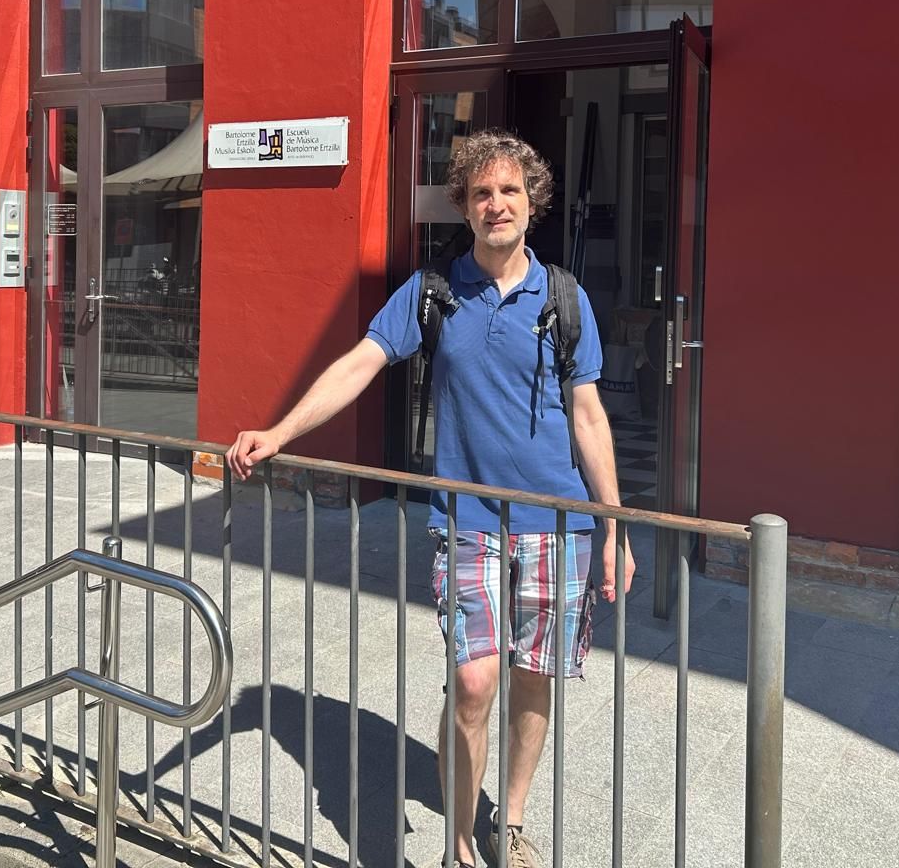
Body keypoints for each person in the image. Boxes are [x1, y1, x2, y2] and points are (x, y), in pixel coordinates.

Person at [227, 129, 636, 868]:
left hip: (557, 523)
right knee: (476, 681)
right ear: (465, 205)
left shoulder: (565, 298)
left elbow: (588, 417)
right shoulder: (433, 293)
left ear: (532, 201)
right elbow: (359, 364)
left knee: (534, 677)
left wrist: (616, 528)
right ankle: (457, 845)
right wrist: (281, 429)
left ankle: (507, 820)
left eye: (510, 190)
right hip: (469, 522)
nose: (496, 204)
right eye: (482, 192)